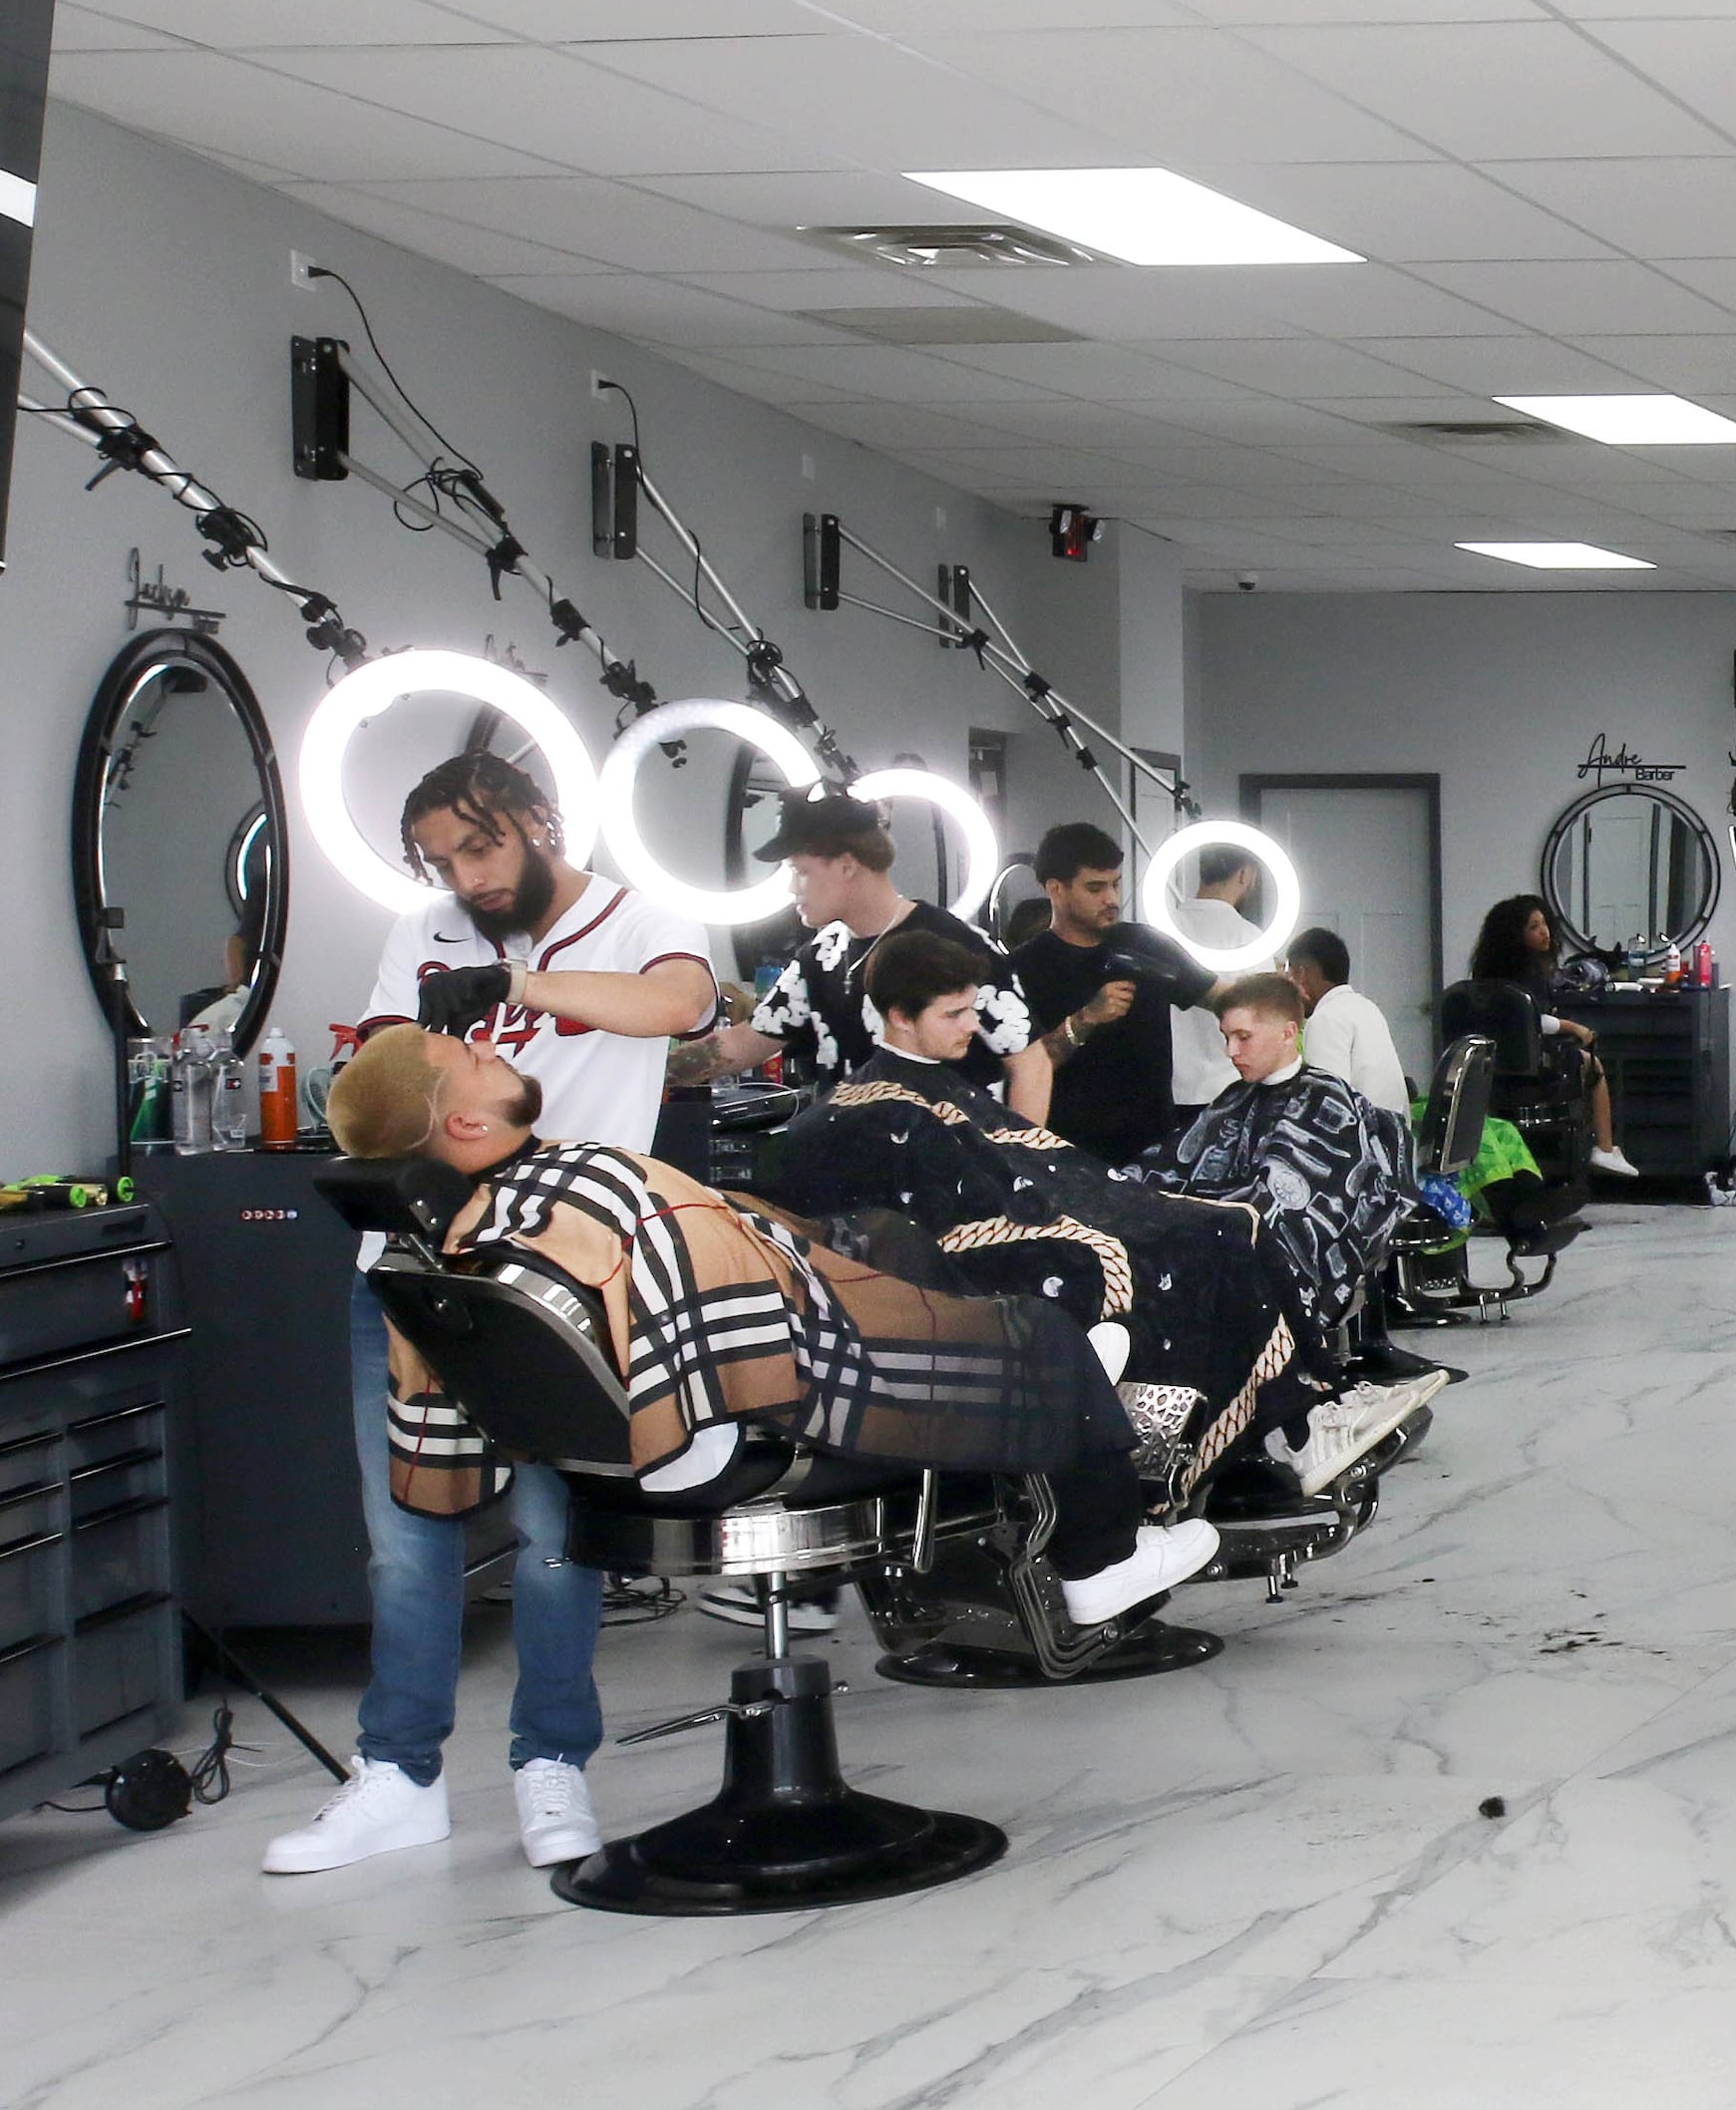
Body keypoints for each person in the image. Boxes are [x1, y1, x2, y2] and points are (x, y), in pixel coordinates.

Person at [318, 1023, 1210, 1627]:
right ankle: (1100, 1557)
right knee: (1042, 1333)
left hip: (619, 1449)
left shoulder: (465, 1238)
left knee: (885, 1235)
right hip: (749, 1417)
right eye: (470, 1056)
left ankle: (1059, 1383)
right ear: (468, 1119)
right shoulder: (592, 1185)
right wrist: (796, 1271)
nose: (490, 1047)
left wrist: (788, 1238)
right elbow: (713, 1268)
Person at [263, 747, 718, 1877]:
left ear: (535, 820)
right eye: (440, 859)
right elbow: (371, 1081)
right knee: (405, 1541)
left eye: (480, 847)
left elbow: (676, 1003)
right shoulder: (422, 931)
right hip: (413, 1265)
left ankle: (550, 1764)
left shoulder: (632, 916)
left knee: (558, 1534)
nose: (463, 878)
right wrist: (403, 1051)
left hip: (560, 1279)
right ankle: (399, 1774)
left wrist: (517, 990)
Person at [764, 926, 1417, 1503]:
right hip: (986, 1271)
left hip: (1026, 1226)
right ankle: (1279, 1429)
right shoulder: (878, 1110)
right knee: (1209, 1236)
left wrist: (1112, 1196)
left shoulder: (926, 1083)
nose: (974, 1026)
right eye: (957, 1012)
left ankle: (1282, 1425)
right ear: (901, 1017)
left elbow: (1010, 1161)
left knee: (1222, 1228)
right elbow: (958, 1213)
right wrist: (1103, 1205)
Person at [1133, 973, 1431, 1364]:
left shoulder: (1329, 1101)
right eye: (1226, 1037)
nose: (1230, 1051)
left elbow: (1304, 1199)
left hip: (1265, 1244)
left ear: (1289, 1033)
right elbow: (1171, 1164)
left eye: (1243, 1037)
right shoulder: (1234, 1098)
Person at [718, 792, 1045, 1118]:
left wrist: (1022, 1164)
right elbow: (746, 1044)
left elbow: (1032, 1067)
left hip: (958, 1159)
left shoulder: (952, 945)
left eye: (800, 871)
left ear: (847, 866)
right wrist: (669, 1061)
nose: (792, 887)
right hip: (861, 1156)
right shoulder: (822, 955)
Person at [1004, 820, 1213, 1166]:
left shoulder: (1146, 944)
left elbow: (1217, 996)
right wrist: (1086, 1019)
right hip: (1071, 1151)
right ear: (1056, 889)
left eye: (1116, 884)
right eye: (1095, 888)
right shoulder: (1024, 968)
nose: (1111, 899)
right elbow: (1024, 1068)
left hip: (1153, 1149)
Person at [1443, 893, 1639, 1180]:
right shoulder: (1528, 971)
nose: (1544, 931)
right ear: (1516, 934)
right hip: (1535, 1070)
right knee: (1592, 1064)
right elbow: (1536, 1021)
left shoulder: (1484, 973)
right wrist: (1574, 1028)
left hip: (1492, 1073)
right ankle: (1605, 1149)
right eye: (1534, 926)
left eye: (1544, 923)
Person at [1163, 850, 1266, 1115]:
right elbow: (1264, 1023)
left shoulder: (1161, 931)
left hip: (1167, 1092)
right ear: (1246, 874)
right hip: (1230, 1091)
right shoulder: (1251, 940)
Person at [1287, 925, 1415, 1121]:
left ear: (1301, 975)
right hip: (1392, 1139)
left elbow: (1329, 1109)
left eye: (1290, 976)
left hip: (1363, 1144)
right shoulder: (1366, 1007)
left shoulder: (1325, 1019)